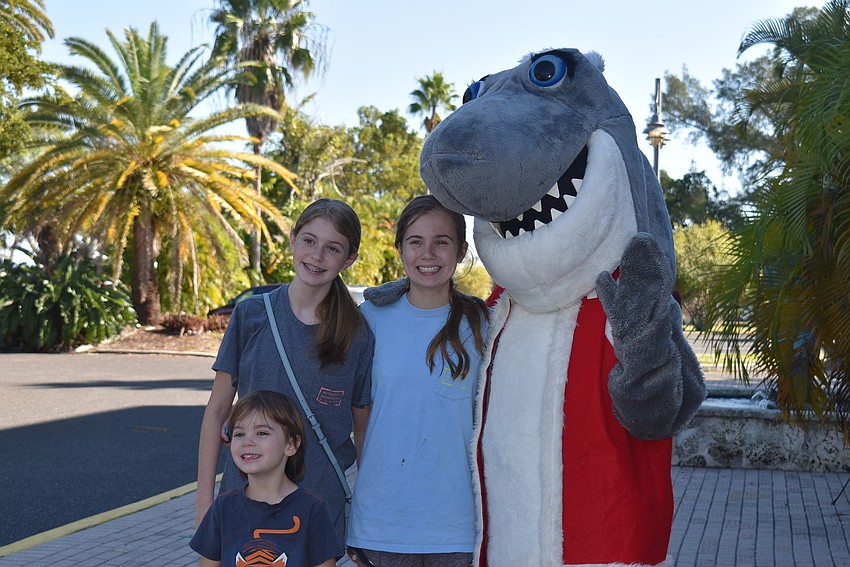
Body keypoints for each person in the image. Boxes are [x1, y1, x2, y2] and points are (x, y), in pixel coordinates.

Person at [196, 198, 375, 552]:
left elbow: (362, 429)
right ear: (292, 239)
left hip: (318, 507)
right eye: (309, 241)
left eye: (332, 248)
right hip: (242, 500)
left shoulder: (357, 334)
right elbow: (216, 411)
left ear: (349, 259)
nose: (317, 256)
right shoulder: (251, 315)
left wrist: (368, 512)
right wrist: (205, 503)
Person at [346, 195, 489, 567]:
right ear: (399, 249)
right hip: (383, 521)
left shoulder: (482, 323)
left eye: (441, 241)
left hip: (457, 523)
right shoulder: (371, 318)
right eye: (415, 241)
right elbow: (353, 413)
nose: (428, 254)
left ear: (460, 250)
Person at [191, 390, 341, 567]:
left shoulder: (312, 509)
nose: (248, 441)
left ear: (291, 445)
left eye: (262, 433)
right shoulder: (223, 508)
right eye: (239, 434)